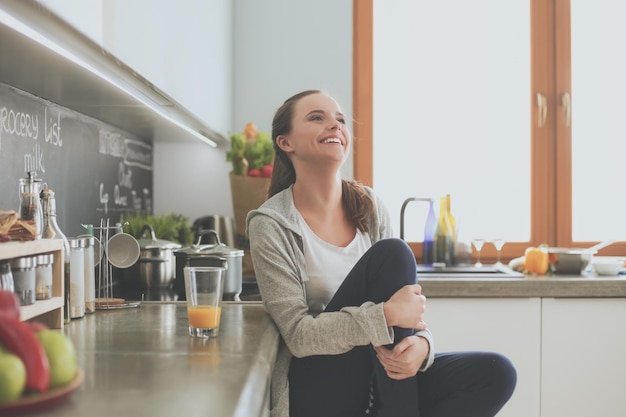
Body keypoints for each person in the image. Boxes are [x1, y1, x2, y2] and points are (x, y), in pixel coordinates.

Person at [246, 90, 517, 417]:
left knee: (495, 372)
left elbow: (407, 311)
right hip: (318, 384)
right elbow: (299, 336)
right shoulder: (270, 224)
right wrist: (385, 315)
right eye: (317, 117)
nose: (335, 125)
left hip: (379, 378)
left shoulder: (369, 207)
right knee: (394, 254)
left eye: (340, 120)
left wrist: (422, 345)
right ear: (285, 142)